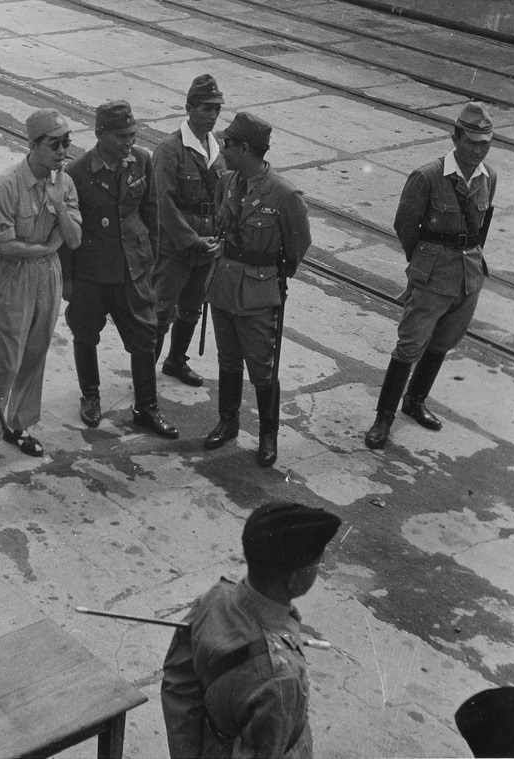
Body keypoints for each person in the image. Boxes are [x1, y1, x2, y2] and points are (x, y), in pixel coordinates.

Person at [161, 501, 341, 758]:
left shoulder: (216, 598)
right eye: (317, 565)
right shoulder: (282, 678)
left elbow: (179, 684)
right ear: (292, 579)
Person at [364, 103, 497, 450]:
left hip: (468, 277)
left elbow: (481, 227)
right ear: (455, 136)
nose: (478, 149)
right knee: (410, 345)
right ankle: (384, 417)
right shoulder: (427, 176)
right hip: (432, 275)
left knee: (443, 342)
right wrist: (421, 264)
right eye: (471, 141)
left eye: (485, 143)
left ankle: (416, 400)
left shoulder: (489, 177)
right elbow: (405, 224)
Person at [0, 108, 82, 477]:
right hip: (16, 277)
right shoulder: (7, 184)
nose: (63, 150)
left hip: (47, 277)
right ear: (32, 145)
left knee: (35, 355)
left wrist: (57, 207)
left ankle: (18, 425)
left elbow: (74, 239)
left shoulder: (63, 184)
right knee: (5, 363)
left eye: (67, 141)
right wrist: (45, 248)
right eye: (55, 143)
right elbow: (4, 246)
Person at [62, 100, 177, 438]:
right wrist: (68, 279)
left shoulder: (141, 160)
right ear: (100, 134)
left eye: (133, 134)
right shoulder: (77, 174)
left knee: (144, 336)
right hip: (91, 272)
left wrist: (150, 259)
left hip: (132, 269)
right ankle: (91, 396)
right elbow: (67, 232)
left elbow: (151, 211)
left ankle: (147, 407)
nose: (130, 141)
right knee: (85, 333)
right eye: (122, 136)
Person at [204, 113, 310, 467]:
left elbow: (297, 246)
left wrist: (272, 278)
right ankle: (228, 421)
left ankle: (267, 435)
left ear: (245, 148)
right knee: (228, 359)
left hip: (258, 293)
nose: (223, 148)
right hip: (223, 285)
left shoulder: (283, 195)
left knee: (262, 368)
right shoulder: (228, 182)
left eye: (228, 144)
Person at [152, 74, 226, 388]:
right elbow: (163, 204)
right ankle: (146, 373)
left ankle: (176, 361)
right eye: (206, 108)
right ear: (188, 108)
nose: (212, 115)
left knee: (192, 308)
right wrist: (190, 241)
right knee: (160, 311)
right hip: (176, 247)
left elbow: (226, 195)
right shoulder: (170, 150)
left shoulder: (218, 147)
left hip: (208, 246)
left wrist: (217, 239)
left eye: (217, 109)